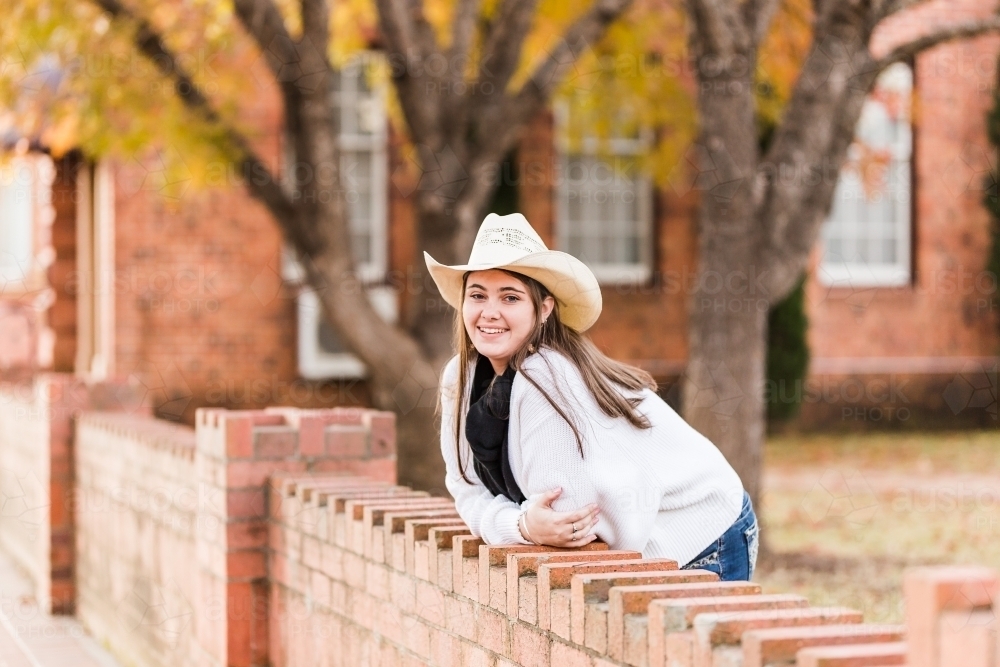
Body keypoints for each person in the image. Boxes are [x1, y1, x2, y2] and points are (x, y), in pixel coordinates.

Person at [426, 212, 759, 581]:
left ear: (544, 309)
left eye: (510, 297)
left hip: (702, 529)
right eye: (477, 295)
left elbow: (569, 523)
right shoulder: (460, 376)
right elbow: (464, 488)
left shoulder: (545, 374)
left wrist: (518, 524)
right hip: (647, 537)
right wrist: (520, 525)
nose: (490, 312)